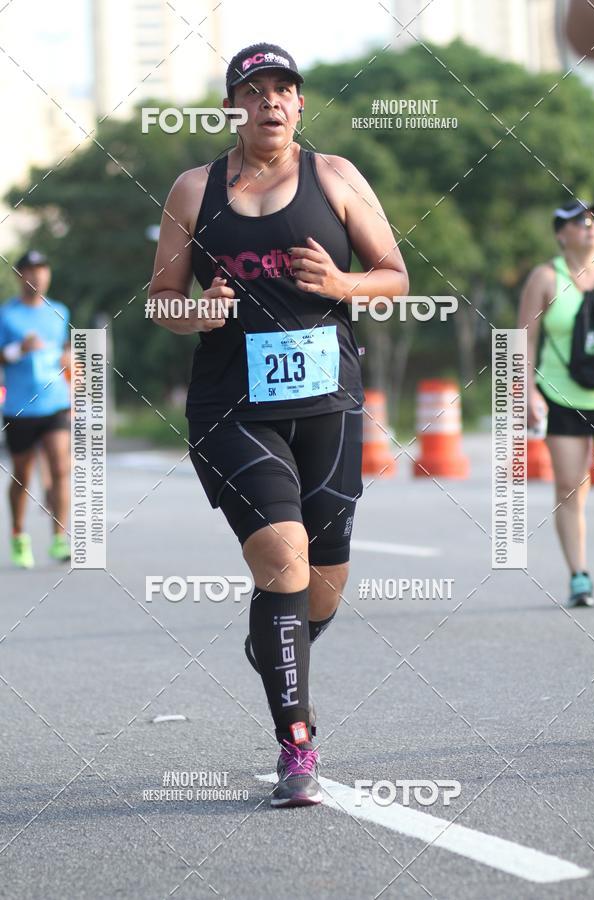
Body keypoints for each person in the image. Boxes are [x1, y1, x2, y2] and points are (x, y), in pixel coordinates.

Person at [148, 42, 408, 807]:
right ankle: (298, 745)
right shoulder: (193, 190)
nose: (270, 102)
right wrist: (197, 311)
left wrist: (341, 282)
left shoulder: (337, 177)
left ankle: (278, 638)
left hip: (329, 406)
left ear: (299, 103)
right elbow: (160, 300)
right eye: (254, 91)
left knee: (322, 584)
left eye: (283, 90)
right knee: (283, 559)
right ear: (232, 107)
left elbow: (396, 277)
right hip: (232, 408)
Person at [519, 200, 594, 607]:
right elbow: (524, 339)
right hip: (562, 396)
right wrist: (527, 392)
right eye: (579, 221)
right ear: (560, 234)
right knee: (570, 485)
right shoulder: (546, 277)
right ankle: (579, 576)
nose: (589, 225)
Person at [0, 250, 71, 567]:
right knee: (22, 476)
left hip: (55, 401)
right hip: (20, 407)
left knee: (60, 467)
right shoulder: (6, 315)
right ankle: (18, 534)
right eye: (30, 270)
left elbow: (64, 348)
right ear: (19, 276)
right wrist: (18, 349)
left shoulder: (59, 311)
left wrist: (70, 358)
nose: (37, 276)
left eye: (42, 270)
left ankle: (59, 538)